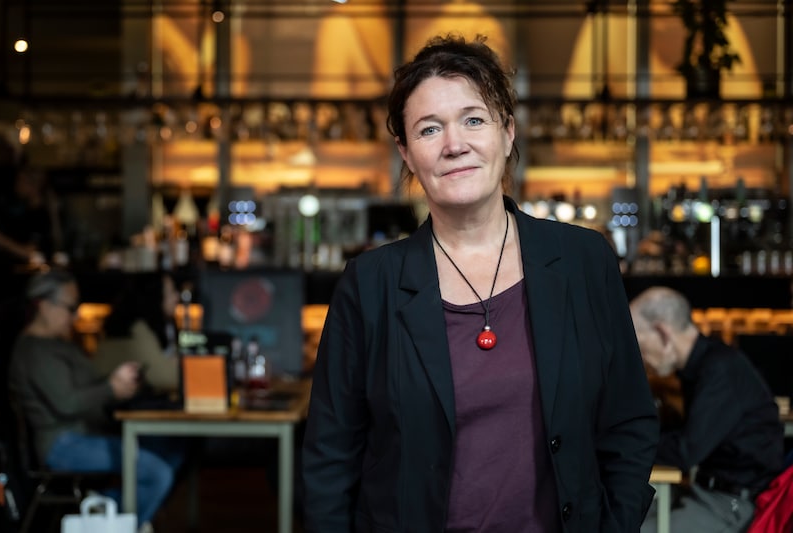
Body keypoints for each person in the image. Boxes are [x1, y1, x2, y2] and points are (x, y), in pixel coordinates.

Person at [302, 34, 659, 532]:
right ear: (406, 153)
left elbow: (628, 420)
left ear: (507, 132)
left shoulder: (583, 261)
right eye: (429, 129)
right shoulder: (369, 285)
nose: (455, 144)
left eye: (474, 120)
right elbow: (329, 458)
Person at [7, 269, 184, 532]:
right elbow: (66, 404)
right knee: (157, 473)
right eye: (70, 308)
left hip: (87, 434)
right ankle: (100, 515)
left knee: (171, 447)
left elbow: (88, 388)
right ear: (44, 306)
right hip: (63, 445)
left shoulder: (60, 344)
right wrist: (111, 388)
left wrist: (120, 385)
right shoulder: (34, 351)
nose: (76, 316)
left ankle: (106, 513)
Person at [630, 286, 784, 533]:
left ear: (663, 333)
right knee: (620, 519)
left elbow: (685, 451)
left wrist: (628, 442)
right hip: (704, 492)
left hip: (733, 503)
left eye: (639, 344)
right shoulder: (703, 365)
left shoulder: (720, 369)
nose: (641, 358)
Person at [95, 273, 181, 393]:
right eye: (171, 292)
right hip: (119, 402)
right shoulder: (137, 329)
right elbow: (168, 378)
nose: (177, 297)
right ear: (155, 297)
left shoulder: (158, 326)